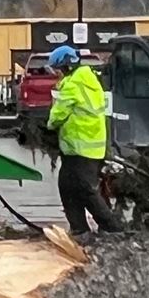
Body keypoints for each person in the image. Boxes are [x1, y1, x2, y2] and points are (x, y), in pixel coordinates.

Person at [44, 44, 118, 236]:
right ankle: (79, 229)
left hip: (81, 148)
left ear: (66, 66)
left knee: (85, 189)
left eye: (58, 70)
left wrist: (49, 124)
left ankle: (113, 229)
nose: (57, 74)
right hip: (85, 147)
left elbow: (58, 115)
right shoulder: (88, 78)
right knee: (68, 186)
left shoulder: (72, 84)